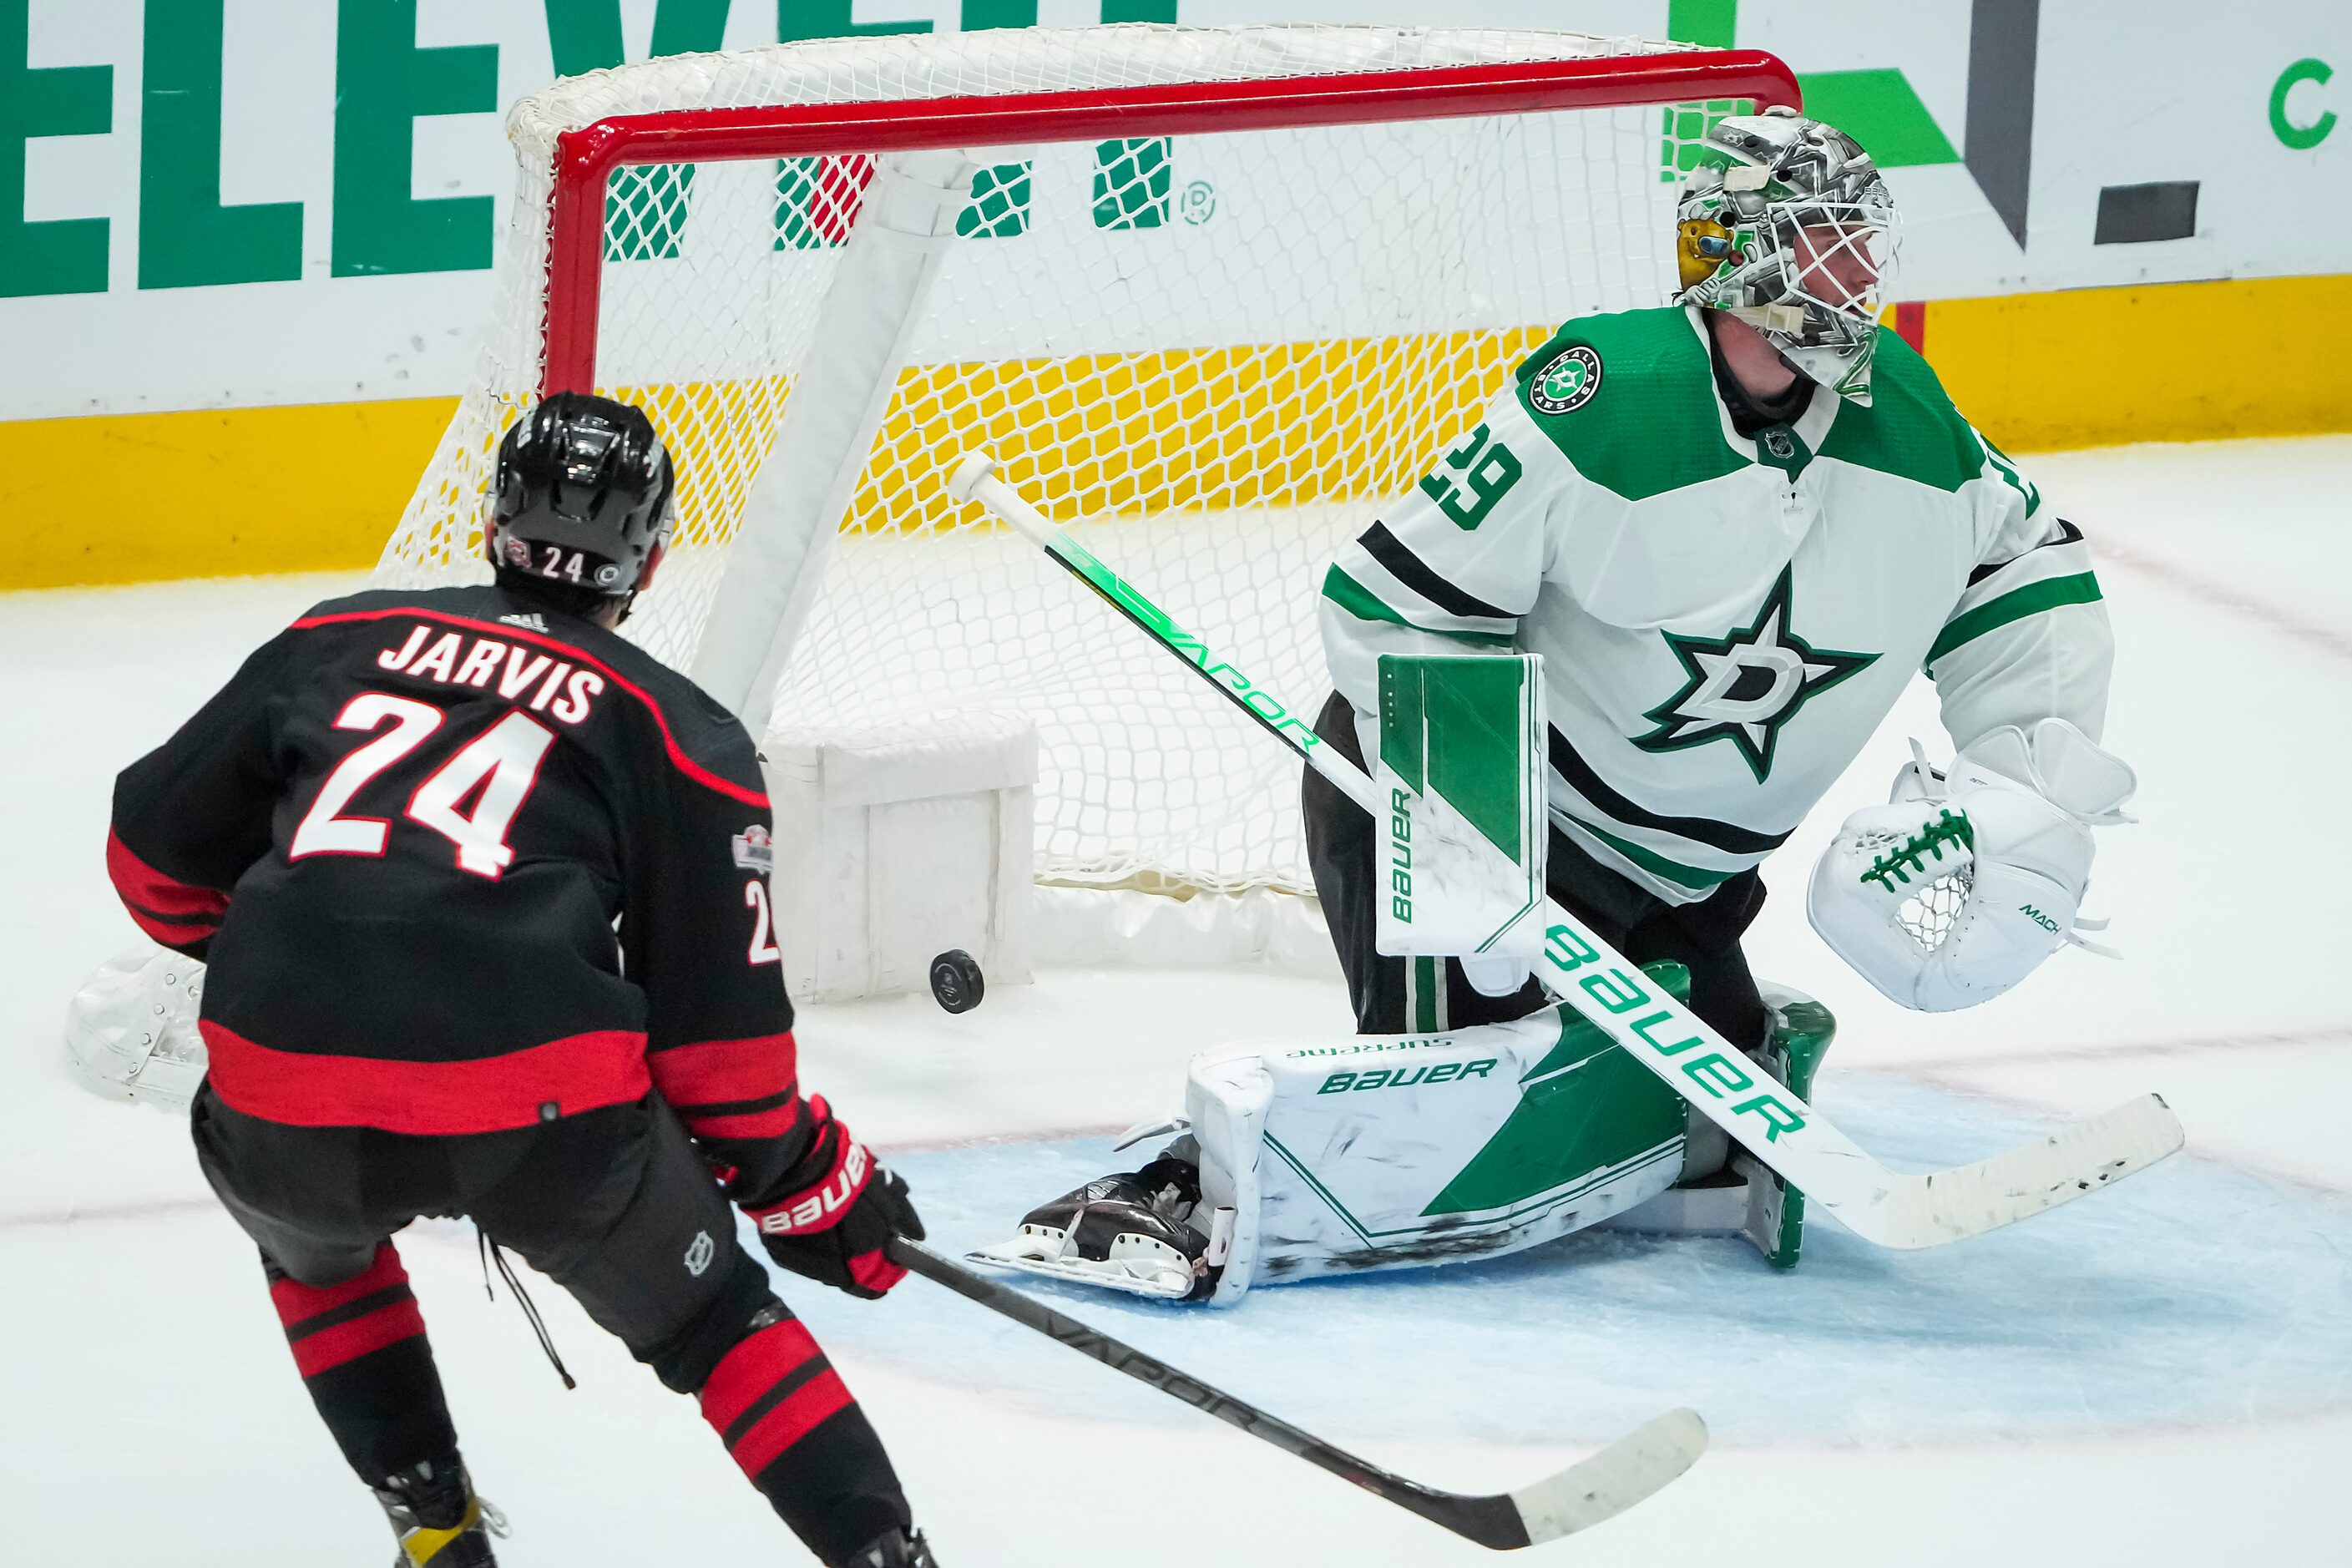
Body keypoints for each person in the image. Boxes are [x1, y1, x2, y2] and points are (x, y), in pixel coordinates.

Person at [981, 110, 2134, 1303]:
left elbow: (2025, 571)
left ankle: (1633, 1025)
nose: (1852, 277)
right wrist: (1487, 865)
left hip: (1686, 876)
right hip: (1460, 809)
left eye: (1859, 243)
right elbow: (1390, 606)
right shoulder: (1601, 395)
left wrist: (2027, 786)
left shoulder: (1907, 413)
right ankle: (1166, 1191)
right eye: (1818, 243)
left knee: (1688, 1123)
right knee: (1449, 1104)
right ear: (1734, 250)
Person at [107, 393, 936, 1567]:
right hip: (539, 1117)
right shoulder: (677, 725)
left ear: (492, 522)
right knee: (716, 1319)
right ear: (650, 556)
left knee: (312, 1252)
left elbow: (147, 857)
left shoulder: (334, 636)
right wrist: (813, 1188)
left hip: (279, 1085)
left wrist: (297, 962)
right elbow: (724, 1060)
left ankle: (436, 1533)